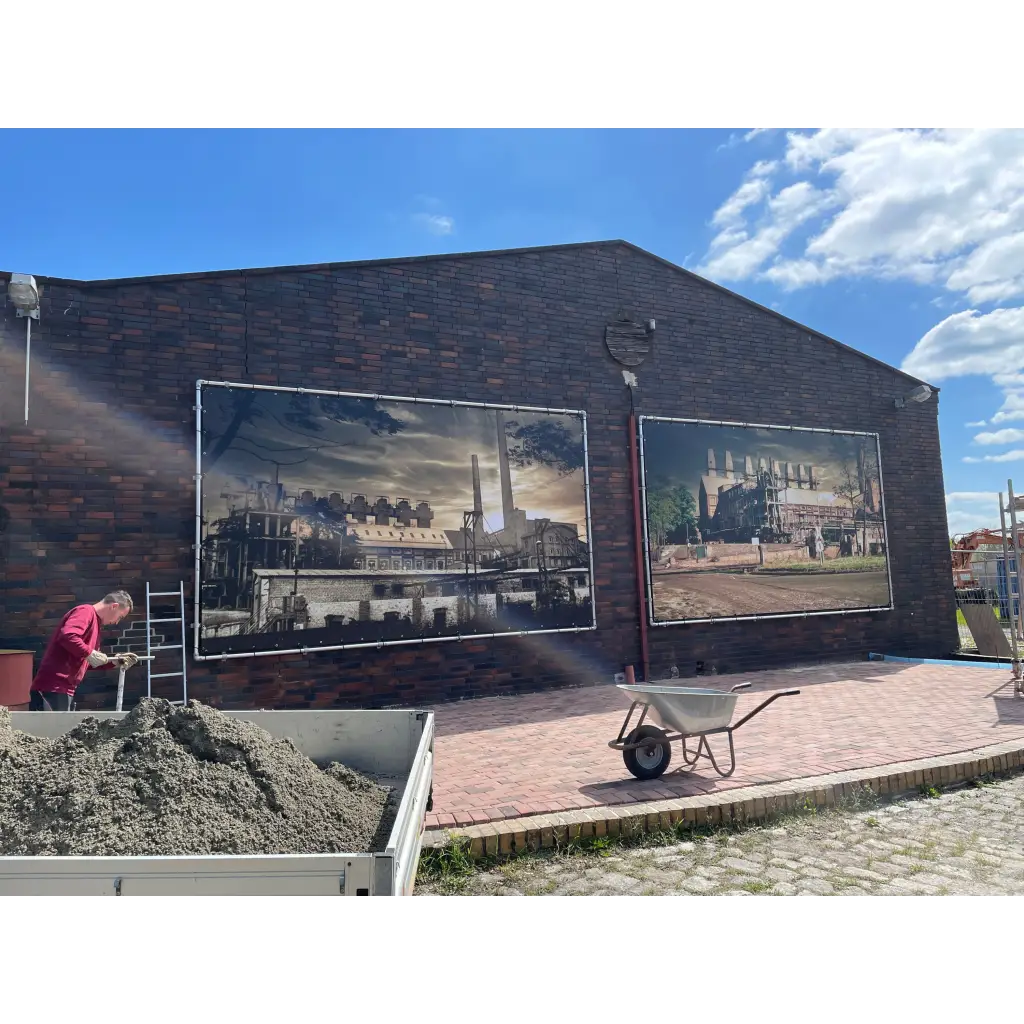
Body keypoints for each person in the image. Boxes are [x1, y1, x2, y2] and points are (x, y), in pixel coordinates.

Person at [29, 591, 139, 711]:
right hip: (53, 687)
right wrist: (89, 653)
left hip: (63, 689)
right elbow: (68, 636)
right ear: (114, 606)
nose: (117, 622)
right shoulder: (85, 611)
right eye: (120, 617)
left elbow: (87, 660)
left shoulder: (95, 623)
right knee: (52, 729)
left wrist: (114, 662)